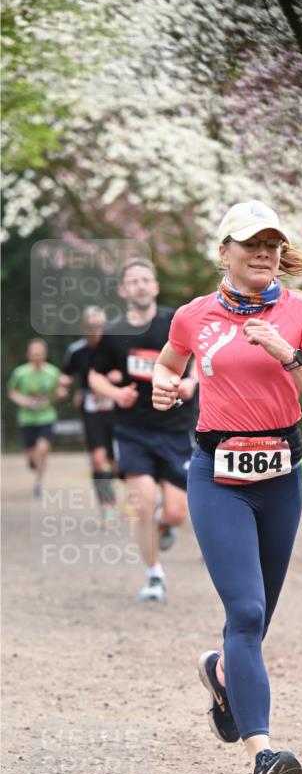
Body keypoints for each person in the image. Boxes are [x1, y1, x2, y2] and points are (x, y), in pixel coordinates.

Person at [152, 200, 302, 774]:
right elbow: (169, 363)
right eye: (250, 243)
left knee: (255, 626)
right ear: (225, 251)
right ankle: (263, 756)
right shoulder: (193, 315)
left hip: (282, 475)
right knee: (246, 608)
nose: (263, 252)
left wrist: (285, 353)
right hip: (217, 474)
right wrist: (164, 384)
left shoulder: (301, 313)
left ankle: (224, 675)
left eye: (272, 244)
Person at [88, 258, 198, 602]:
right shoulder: (114, 333)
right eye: (132, 281)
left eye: (145, 280)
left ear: (155, 286)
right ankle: (154, 575)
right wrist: (115, 393)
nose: (139, 285)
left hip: (176, 427)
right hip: (133, 429)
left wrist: (190, 383)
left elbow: (198, 361)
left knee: (177, 514)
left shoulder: (174, 323)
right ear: (123, 290)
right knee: (143, 502)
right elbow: (93, 376)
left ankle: (164, 525)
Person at [61, 306, 119, 521]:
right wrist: (64, 385)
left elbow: (129, 372)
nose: (97, 330)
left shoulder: (115, 347)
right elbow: (65, 374)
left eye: (101, 326)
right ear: (84, 328)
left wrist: (118, 376)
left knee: (116, 463)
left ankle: (115, 489)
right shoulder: (76, 351)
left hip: (116, 408)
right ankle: (106, 505)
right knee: (97, 459)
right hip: (92, 409)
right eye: (92, 326)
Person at [7, 338, 66, 497]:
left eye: (40, 354)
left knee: (42, 449)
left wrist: (60, 393)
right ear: (29, 355)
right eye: (34, 354)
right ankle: (33, 462)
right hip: (27, 419)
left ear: (45, 355)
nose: (37, 357)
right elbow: (12, 391)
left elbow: (58, 392)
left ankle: (38, 483)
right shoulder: (20, 373)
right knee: (31, 455)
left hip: (46, 417)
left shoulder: (53, 372)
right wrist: (22, 400)